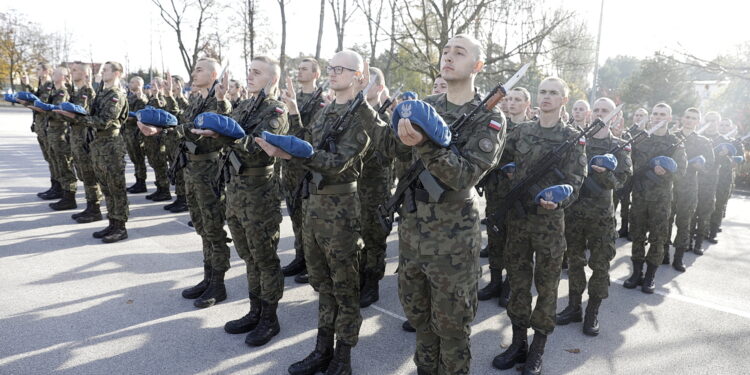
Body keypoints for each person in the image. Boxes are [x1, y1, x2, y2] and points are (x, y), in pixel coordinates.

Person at [392, 34, 505, 375]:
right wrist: (395, 131)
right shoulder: (425, 106)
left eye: (460, 52)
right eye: (445, 52)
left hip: (453, 237)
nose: (449, 57)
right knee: (420, 318)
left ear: (477, 66)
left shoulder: (491, 117)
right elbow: (395, 156)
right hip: (414, 228)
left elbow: (464, 175)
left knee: (452, 327)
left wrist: (426, 145)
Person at [257, 50, 372, 375]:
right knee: (323, 285)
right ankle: (322, 349)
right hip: (314, 207)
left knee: (345, 288)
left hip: (340, 211)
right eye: (332, 67)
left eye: (341, 68)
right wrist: (288, 139)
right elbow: (308, 141)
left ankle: (343, 358)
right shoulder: (326, 110)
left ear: (358, 76)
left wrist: (296, 154)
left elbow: (337, 163)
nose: (333, 72)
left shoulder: (361, 115)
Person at [493, 77, 586, 375]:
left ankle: (538, 348)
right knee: (518, 283)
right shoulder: (520, 132)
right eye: (543, 92)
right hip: (518, 220)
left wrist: (561, 199)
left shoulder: (572, 138)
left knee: (546, 287)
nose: (547, 96)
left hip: (548, 223)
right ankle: (518, 342)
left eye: (554, 93)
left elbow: (576, 182)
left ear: (563, 100)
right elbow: (500, 161)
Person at [195, 56, 289, 347]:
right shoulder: (245, 106)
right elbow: (223, 135)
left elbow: (259, 148)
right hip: (236, 191)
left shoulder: (277, 110)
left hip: (260, 192)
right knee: (248, 256)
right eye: (250, 71)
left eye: (257, 73)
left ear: (272, 80)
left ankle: (270, 318)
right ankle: (255, 310)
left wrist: (228, 136)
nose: (250, 76)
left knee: (264, 258)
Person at [140, 57, 233, 308]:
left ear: (213, 75)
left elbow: (199, 127)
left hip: (209, 169)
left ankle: (219, 284)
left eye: (200, 69)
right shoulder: (195, 99)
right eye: (194, 69)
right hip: (192, 169)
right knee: (202, 226)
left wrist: (166, 131)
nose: (194, 73)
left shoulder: (218, 101)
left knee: (213, 228)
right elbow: (183, 124)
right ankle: (208, 277)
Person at [555, 97, 632, 337]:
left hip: (601, 217)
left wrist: (606, 173)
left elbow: (621, 182)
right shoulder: (578, 142)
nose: (600, 114)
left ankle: (593, 312)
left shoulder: (620, 145)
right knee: (575, 262)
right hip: (574, 213)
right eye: (596, 110)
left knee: (600, 265)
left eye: (605, 110)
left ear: (614, 116)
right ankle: (574, 306)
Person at [56, 61, 130, 243]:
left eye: (106, 70)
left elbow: (104, 121)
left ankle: (121, 227)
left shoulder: (116, 95)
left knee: (116, 187)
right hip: (98, 145)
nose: (102, 72)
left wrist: (79, 118)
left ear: (117, 73)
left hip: (111, 146)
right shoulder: (103, 93)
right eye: (102, 70)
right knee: (105, 187)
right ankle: (112, 222)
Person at [623, 103, 686, 293]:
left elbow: (682, 172)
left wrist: (665, 173)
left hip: (661, 199)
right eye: (655, 114)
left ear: (669, 118)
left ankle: (650, 276)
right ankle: (636, 273)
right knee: (637, 235)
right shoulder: (640, 140)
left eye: (662, 114)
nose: (658, 117)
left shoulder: (676, 142)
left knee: (658, 238)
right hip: (640, 196)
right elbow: (629, 166)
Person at [478, 87, 531, 308]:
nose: (512, 103)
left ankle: (509, 284)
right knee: (495, 237)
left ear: (527, 104)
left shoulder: (531, 130)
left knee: (515, 241)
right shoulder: (499, 124)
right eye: (509, 99)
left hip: (517, 194)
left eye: (518, 100)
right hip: (495, 190)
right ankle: (495, 281)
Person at [281, 57, 325, 284]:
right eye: (299, 68)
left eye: (305, 69)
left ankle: (312, 261)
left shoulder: (321, 102)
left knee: (309, 220)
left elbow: (311, 136)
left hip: (306, 169)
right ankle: (300, 256)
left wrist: (294, 110)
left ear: (316, 74)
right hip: (289, 167)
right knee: (295, 216)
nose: (300, 72)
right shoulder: (293, 97)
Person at [357, 66, 393, 308]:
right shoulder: (353, 114)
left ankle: (372, 283)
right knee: (356, 238)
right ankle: (360, 277)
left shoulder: (386, 119)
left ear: (379, 88)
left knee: (374, 238)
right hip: (353, 189)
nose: (362, 86)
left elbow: (387, 155)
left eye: (368, 82)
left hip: (376, 189)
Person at [664, 108, 713, 271]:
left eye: (693, 118)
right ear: (682, 118)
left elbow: (710, 166)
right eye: (687, 117)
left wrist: (702, 167)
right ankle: (663, 253)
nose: (690, 120)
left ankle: (678, 258)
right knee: (666, 220)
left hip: (689, 187)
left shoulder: (704, 142)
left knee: (685, 223)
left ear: (698, 122)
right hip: (670, 184)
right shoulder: (671, 137)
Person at [68, 61, 103, 223]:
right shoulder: (77, 91)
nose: (72, 73)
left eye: (75, 70)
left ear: (85, 74)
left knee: (89, 175)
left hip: (84, 139)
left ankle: (95, 209)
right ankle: (90, 206)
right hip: (76, 138)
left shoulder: (87, 92)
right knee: (83, 174)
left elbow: (82, 114)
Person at [20, 63, 58, 199]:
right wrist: (27, 85)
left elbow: (41, 105)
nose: (36, 72)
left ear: (46, 71)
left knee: (53, 158)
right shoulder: (43, 85)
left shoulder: (49, 85)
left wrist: (25, 103)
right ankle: (54, 185)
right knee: (49, 158)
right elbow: (34, 97)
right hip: (40, 127)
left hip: (47, 127)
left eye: (38, 69)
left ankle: (57, 187)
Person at [43, 65, 78, 211]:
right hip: (53, 132)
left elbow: (61, 114)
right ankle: (62, 192)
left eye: (56, 73)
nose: (52, 74)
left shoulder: (62, 92)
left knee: (64, 164)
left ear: (63, 76)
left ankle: (69, 198)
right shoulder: (54, 91)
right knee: (57, 163)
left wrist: (45, 110)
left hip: (60, 132)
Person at [709, 119, 744, 243]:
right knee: (705, 204)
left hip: (725, 178)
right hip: (709, 177)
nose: (724, 127)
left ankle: (713, 232)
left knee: (719, 205)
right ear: (718, 126)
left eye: (726, 125)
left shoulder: (735, 143)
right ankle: (701, 230)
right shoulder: (712, 140)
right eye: (722, 125)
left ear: (731, 128)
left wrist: (729, 155)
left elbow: (739, 160)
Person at [616, 107, 649, 239]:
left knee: (639, 204)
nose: (638, 118)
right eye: (636, 115)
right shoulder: (627, 133)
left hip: (642, 174)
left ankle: (637, 230)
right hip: (627, 172)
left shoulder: (649, 134)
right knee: (624, 202)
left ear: (647, 118)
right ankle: (624, 227)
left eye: (642, 115)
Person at [692, 111, 722, 255]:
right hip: (693, 180)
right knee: (691, 212)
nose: (711, 123)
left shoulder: (723, 140)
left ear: (718, 123)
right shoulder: (697, 138)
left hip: (710, 182)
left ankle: (698, 243)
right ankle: (687, 241)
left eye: (714, 120)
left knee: (704, 213)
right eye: (708, 120)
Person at [123, 76, 149, 194]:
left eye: (133, 82)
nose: (130, 83)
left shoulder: (141, 98)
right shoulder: (128, 97)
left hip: (136, 132)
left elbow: (141, 115)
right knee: (134, 158)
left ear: (139, 84)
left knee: (139, 158)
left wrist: (127, 117)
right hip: (127, 132)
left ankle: (141, 182)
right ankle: (138, 181)